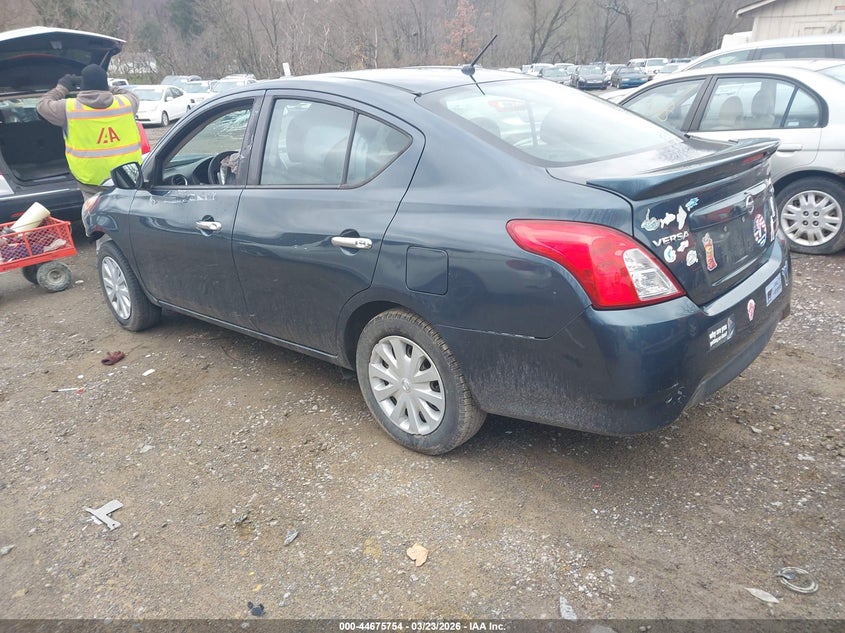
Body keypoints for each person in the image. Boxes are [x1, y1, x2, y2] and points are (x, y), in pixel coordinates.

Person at [36, 64, 142, 200]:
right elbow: (128, 93)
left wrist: (62, 87)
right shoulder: (127, 103)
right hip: (127, 175)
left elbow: (41, 105)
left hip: (91, 180)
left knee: (95, 216)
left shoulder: (67, 108)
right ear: (105, 83)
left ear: (84, 85)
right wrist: (104, 86)